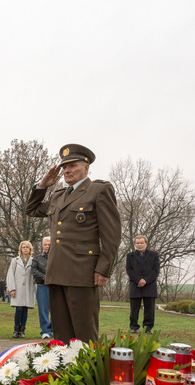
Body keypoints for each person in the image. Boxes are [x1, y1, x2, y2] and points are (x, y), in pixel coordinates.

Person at [25, 144, 121, 344]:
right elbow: (31, 209)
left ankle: (87, 365)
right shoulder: (58, 195)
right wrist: (43, 185)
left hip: (82, 272)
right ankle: (63, 365)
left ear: (86, 168)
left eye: (72, 166)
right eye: (64, 167)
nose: (67, 170)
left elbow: (111, 235)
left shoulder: (98, 190)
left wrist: (103, 269)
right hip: (56, 272)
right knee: (61, 334)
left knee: (84, 332)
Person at [126, 235, 160, 334]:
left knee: (149, 309)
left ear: (146, 243)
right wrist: (138, 280)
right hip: (135, 285)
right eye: (137, 243)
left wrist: (145, 280)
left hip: (150, 285)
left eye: (141, 243)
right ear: (135, 244)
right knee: (134, 309)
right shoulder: (130, 256)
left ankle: (148, 327)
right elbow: (129, 270)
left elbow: (156, 270)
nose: (139, 245)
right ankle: (134, 327)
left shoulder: (154, 255)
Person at [6, 241, 36, 338]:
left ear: (30, 249)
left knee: (25, 310)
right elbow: (10, 275)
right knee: (18, 309)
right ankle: (16, 329)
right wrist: (12, 289)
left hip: (28, 289)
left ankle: (22, 330)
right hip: (18, 289)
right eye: (23, 247)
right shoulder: (15, 261)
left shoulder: (33, 261)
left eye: (27, 247)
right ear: (21, 249)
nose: (25, 249)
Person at [32, 236, 53, 339]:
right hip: (42, 286)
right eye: (45, 244)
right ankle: (45, 331)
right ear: (42, 246)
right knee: (43, 310)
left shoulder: (57, 257)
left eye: (49, 244)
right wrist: (45, 278)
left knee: (56, 310)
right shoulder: (37, 258)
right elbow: (34, 271)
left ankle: (54, 329)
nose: (47, 246)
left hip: (55, 287)